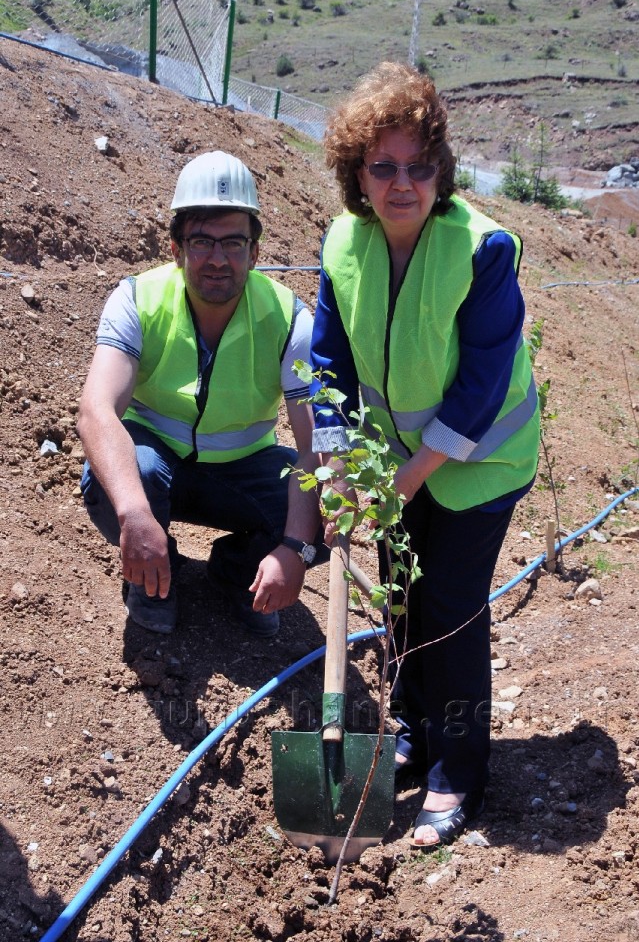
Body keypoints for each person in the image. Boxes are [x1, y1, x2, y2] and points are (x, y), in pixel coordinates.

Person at [310, 62, 540, 849]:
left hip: (482, 461)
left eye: (418, 166)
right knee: (401, 597)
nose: (401, 184)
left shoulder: (481, 249)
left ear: (441, 171)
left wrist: (403, 481)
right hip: (394, 464)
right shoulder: (342, 243)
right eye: (382, 167)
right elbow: (328, 364)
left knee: (447, 604)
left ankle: (459, 768)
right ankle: (410, 728)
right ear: (357, 174)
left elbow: (479, 386)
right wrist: (339, 465)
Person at [78, 150, 322, 639]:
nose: (217, 259)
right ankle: (154, 574)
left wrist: (297, 548)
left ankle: (238, 573)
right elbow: (95, 411)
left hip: (240, 470)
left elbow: (314, 448)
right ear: (176, 248)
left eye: (233, 243)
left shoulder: (289, 319)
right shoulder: (138, 299)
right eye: (202, 242)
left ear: (255, 252)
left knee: (317, 509)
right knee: (121, 476)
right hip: (156, 465)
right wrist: (134, 513)